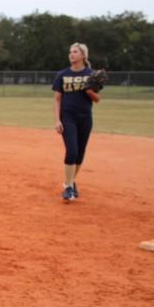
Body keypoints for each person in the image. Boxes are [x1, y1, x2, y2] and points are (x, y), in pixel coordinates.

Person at [52, 42, 100, 202]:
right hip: (68, 117)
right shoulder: (62, 75)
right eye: (70, 52)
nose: (71, 54)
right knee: (72, 151)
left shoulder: (92, 74)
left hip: (85, 117)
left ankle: (70, 182)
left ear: (83, 56)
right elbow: (57, 99)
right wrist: (57, 120)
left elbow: (97, 99)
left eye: (75, 52)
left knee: (80, 153)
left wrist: (89, 90)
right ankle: (68, 188)